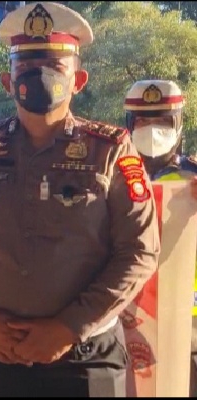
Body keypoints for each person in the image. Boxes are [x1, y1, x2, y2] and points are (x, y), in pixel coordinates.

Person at [0, 2, 161, 397]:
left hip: (85, 356)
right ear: (7, 80)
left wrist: (70, 327)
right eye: (27, 66)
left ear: (78, 80)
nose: (40, 76)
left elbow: (140, 250)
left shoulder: (112, 151)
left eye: (54, 66)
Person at [123, 80, 197, 395]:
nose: (152, 130)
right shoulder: (111, 176)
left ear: (178, 124)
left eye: (163, 121)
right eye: (143, 121)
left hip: (186, 320)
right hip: (128, 315)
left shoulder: (192, 177)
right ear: (129, 124)